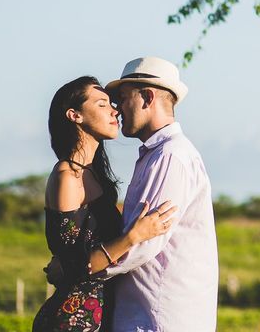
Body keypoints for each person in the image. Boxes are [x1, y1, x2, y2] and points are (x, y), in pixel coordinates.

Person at [33, 76, 177, 332]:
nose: (115, 111)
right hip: (74, 321)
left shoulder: (95, 175)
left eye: (112, 104)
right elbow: (72, 267)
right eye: (102, 104)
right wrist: (134, 236)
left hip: (103, 316)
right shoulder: (67, 177)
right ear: (75, 115)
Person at [102, 56, 219, 332]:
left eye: (123, 98)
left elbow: (143, 243)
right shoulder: (161, 154)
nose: (118, 109)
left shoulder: (169, 156)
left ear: (147, 97)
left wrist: (84, 268)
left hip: (157, 318)